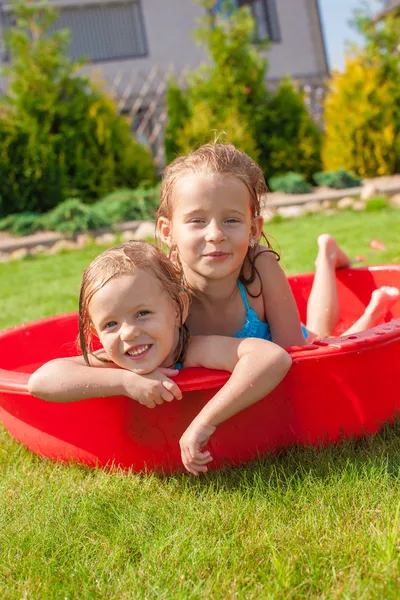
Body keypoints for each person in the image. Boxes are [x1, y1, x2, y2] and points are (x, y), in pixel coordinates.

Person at [29, 241, 292, 475]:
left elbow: (271, 357)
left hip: (282, 333)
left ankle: (328, 265)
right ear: (95, 331)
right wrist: (124, 382)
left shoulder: (189, 350)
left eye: (142, 313)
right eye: (110, 324)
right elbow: (40, 381)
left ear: (179, 309)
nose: (129, 333)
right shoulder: (114, 362)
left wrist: (204, 422)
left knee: (319, 324)